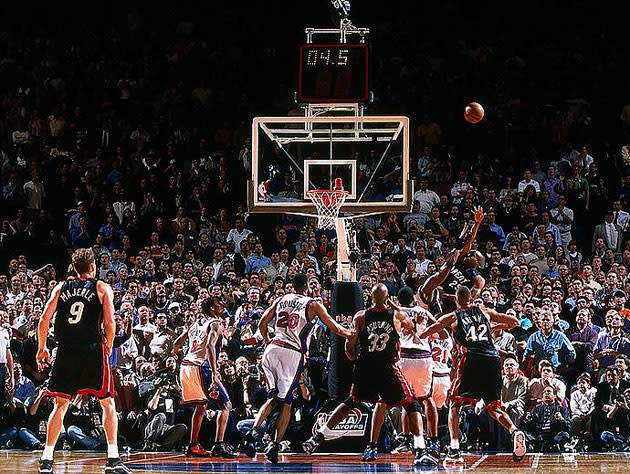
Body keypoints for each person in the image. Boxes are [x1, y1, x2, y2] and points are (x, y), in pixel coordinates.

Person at [35, 248, 132, 474]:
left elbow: (43, 320)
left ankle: (47, 459)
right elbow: (110, 322)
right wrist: (108, 345)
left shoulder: (60, 287)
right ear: (93, 267)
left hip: (66, 350)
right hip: (92, 350)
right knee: (107, 402)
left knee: (60, 404)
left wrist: (41, 348)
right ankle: (113, 458)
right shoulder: (101, 287)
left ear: (73, 267)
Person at [303, 284, 421, 463]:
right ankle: (420, 448)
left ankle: (318, 437)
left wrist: (354, 361)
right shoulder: (396, 316)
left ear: (371, 298)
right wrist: (394, 306)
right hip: (387, 367)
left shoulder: (361, 316)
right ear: (388, 297)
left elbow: (349, 347)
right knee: (411, 406)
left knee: (350, 402)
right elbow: (412, 327)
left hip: (365, 366)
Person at [241, 273, 351, 463]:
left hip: (272, 348)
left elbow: (262, 324)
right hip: (291, 353)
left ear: (292, 285)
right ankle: (274, 446)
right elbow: (336, 329)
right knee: (288, 402)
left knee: (274, 398)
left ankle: (253, 432)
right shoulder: (313, 304)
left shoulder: (281, 299)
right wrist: (354, 332)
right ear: (307, 286)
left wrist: (268, 341)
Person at [419, 285, 526, 463]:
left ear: (457, 300)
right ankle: (514, 430)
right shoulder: (485, 311)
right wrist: (493, 328)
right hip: (492, 359)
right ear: (470, 298)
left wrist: (420, 332)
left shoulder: (454, 316)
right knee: (493, 407)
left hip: (472, 359)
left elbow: (431, 330)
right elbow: (514, 322)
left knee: (455, 403)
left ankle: (454, 448)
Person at [179, 297, 235, 458]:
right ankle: (219, 444)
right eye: (219, 305)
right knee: (226, 405)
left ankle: (193, 445)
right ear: (212, 308)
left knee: (201, 406)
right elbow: (210, 346)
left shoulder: (194, 324)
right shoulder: (214, 323)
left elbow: (177, 342)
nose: (222, 307)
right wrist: (215, 372)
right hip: (201, 366)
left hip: (186, 365)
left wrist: (176, 352)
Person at [391, 286, 440, 466]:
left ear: (399, 299)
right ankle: (434, 440)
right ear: (414, 298)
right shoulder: (422, 311)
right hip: (422, 358)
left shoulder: (396, 312)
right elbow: (438, 331)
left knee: (406, 400)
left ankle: (406, 440)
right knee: (427, 399)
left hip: (403, 357)